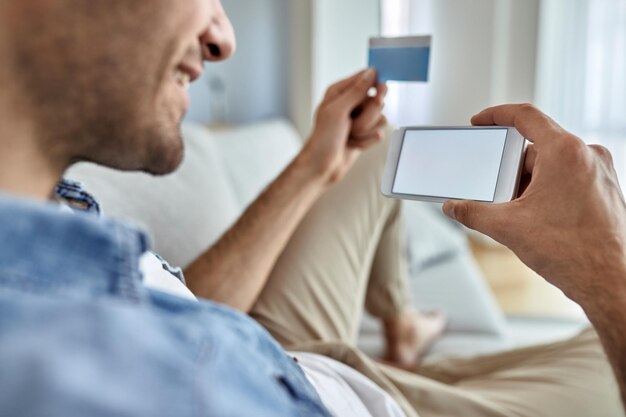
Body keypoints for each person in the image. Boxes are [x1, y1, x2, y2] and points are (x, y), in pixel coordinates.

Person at [0, 1, 622, 417]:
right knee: (604, 353)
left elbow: (188, 310)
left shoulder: (56, 213)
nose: (223, 37)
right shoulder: (55, 358)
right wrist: (606, 265)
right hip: (316, 394)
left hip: (273, 349)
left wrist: (315, 164)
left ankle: (401, 324)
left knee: (381, 154)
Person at [442, 103, 626, 409]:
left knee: (598, 343)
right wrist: (608, 267)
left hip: (339, 380)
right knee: (603, 358)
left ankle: (401, 362)